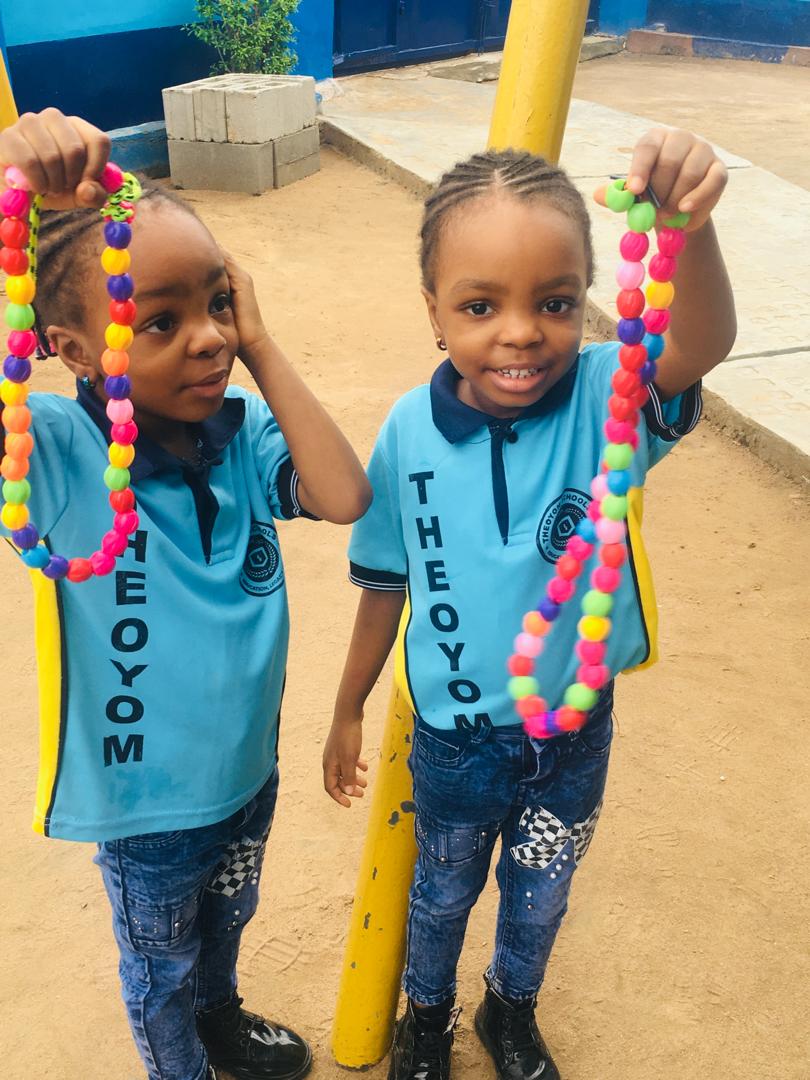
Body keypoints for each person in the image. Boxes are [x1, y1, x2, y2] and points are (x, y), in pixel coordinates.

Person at [323, 128, 735, 1080]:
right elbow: (387, 579)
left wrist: (692, 230)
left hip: (574, 732)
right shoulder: (404, 431)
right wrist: (346, 704)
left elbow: (702, 342)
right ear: (434, 312)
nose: (520, 332)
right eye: (480, 305)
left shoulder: (607, 397)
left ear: (588, 303)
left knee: (540, 894)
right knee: (440, 892)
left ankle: (510, 1012)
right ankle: (426, 1021)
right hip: (456, 740)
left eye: (554, 303)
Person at [0, 108, 371, 1080]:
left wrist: (263, 344)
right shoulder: (60, 455)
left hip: (246, 776)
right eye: (161, 321)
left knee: (224, 925)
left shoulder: (243, 437)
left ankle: (222, 1015)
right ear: (75, 351)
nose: (208, 339)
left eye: (216, 303)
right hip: (147, 813)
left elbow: (344, 495)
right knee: (157, 968)